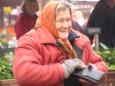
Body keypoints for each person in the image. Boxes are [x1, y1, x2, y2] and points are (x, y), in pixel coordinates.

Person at [13, 1, 108, 86]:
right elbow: (24, 74)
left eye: (68, 20)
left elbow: (101, 64)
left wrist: (92, 71)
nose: (66, 25)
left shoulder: (81, 40)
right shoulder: (30, 41)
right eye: (60, 20)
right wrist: (63, 69)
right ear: (48, 20)